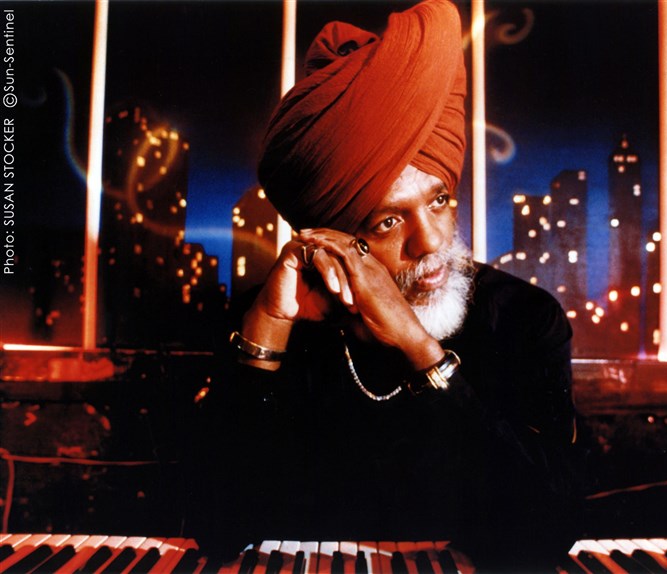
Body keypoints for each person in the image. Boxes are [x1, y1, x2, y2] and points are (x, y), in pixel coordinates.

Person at [186, 0, 582, 570]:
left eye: (439, 200)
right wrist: (267, 333)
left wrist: (420, 351)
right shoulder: (271, 317)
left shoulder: (523, 318)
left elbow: (544, 534)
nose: (431, 241)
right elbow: (216, 529)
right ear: (334, 235)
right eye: (388, 221)